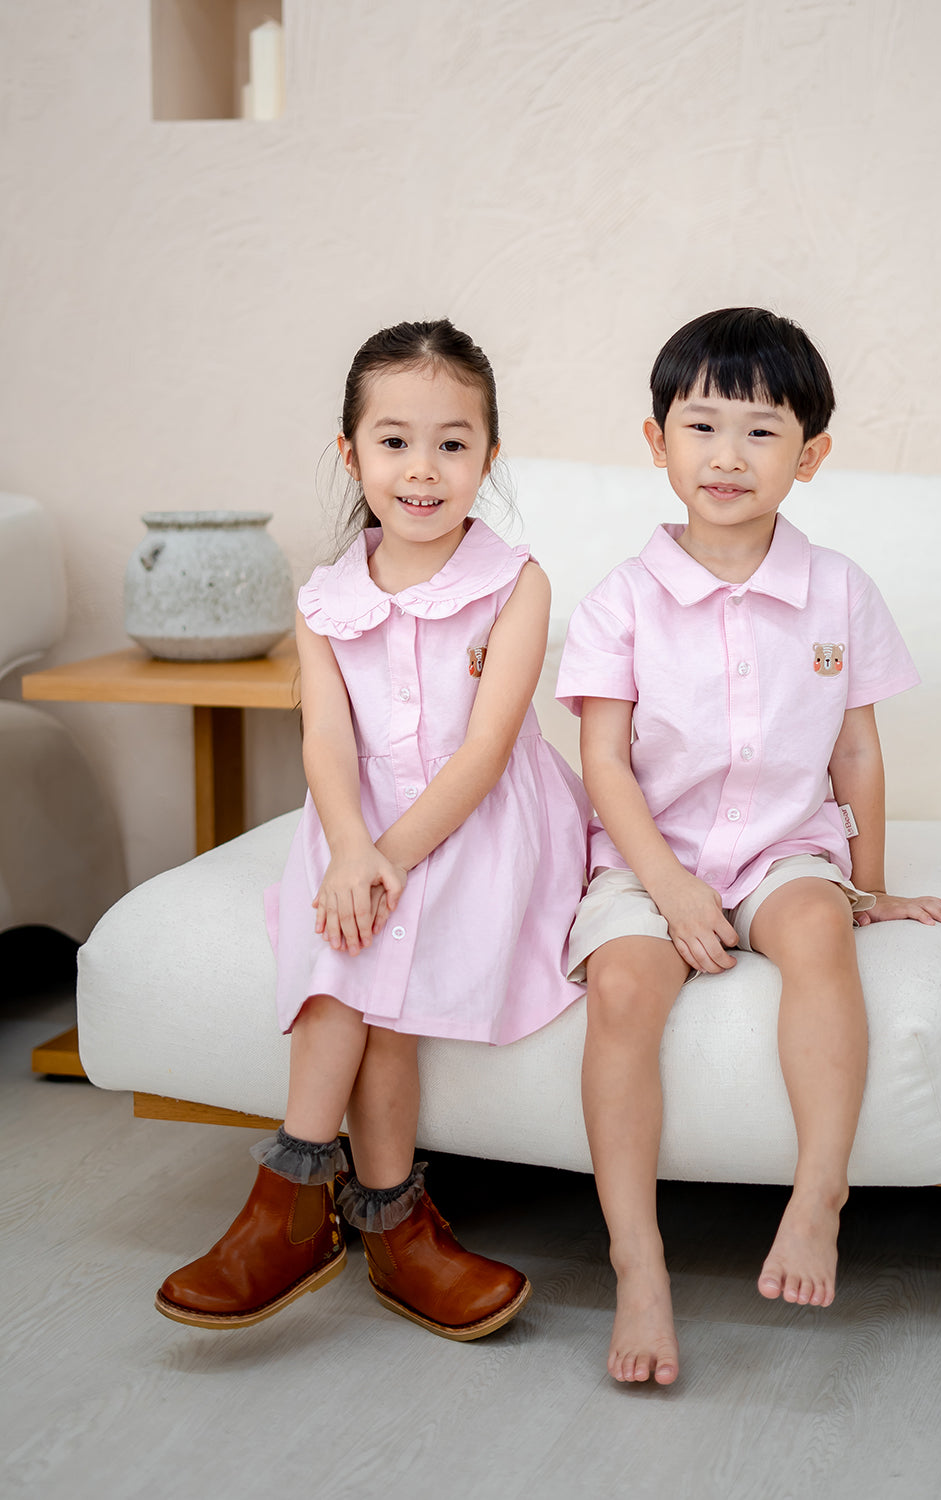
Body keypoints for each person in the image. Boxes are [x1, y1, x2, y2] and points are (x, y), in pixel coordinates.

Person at [156, 319, 589, 1339]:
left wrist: (387, 859)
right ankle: (391, 1228)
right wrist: (353, 848)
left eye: (453, 441)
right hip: (361, 820)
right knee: (345, 946)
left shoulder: (516, 584)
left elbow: (484, 756)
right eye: (394, 441)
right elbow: (326, 749)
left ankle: (294, 1208)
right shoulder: (323, 601)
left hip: (481, 819)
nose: (423, 469)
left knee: (373, 947)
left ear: (489, 456)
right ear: (352, 454)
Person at [556, 307, 941, 1385]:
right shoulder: (621, 601)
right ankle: (638, 1266)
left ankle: (819, 1194)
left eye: (762, 432)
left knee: (820, 936)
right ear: (658, 444)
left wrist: (868, 889)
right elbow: (604, 766)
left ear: (811, 456)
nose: (728, 456)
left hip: (786, 845)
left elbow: (857, 755)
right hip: (652, 854)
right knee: (625, 991)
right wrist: (671, 887)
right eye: (702, 427)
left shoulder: (839, 590)